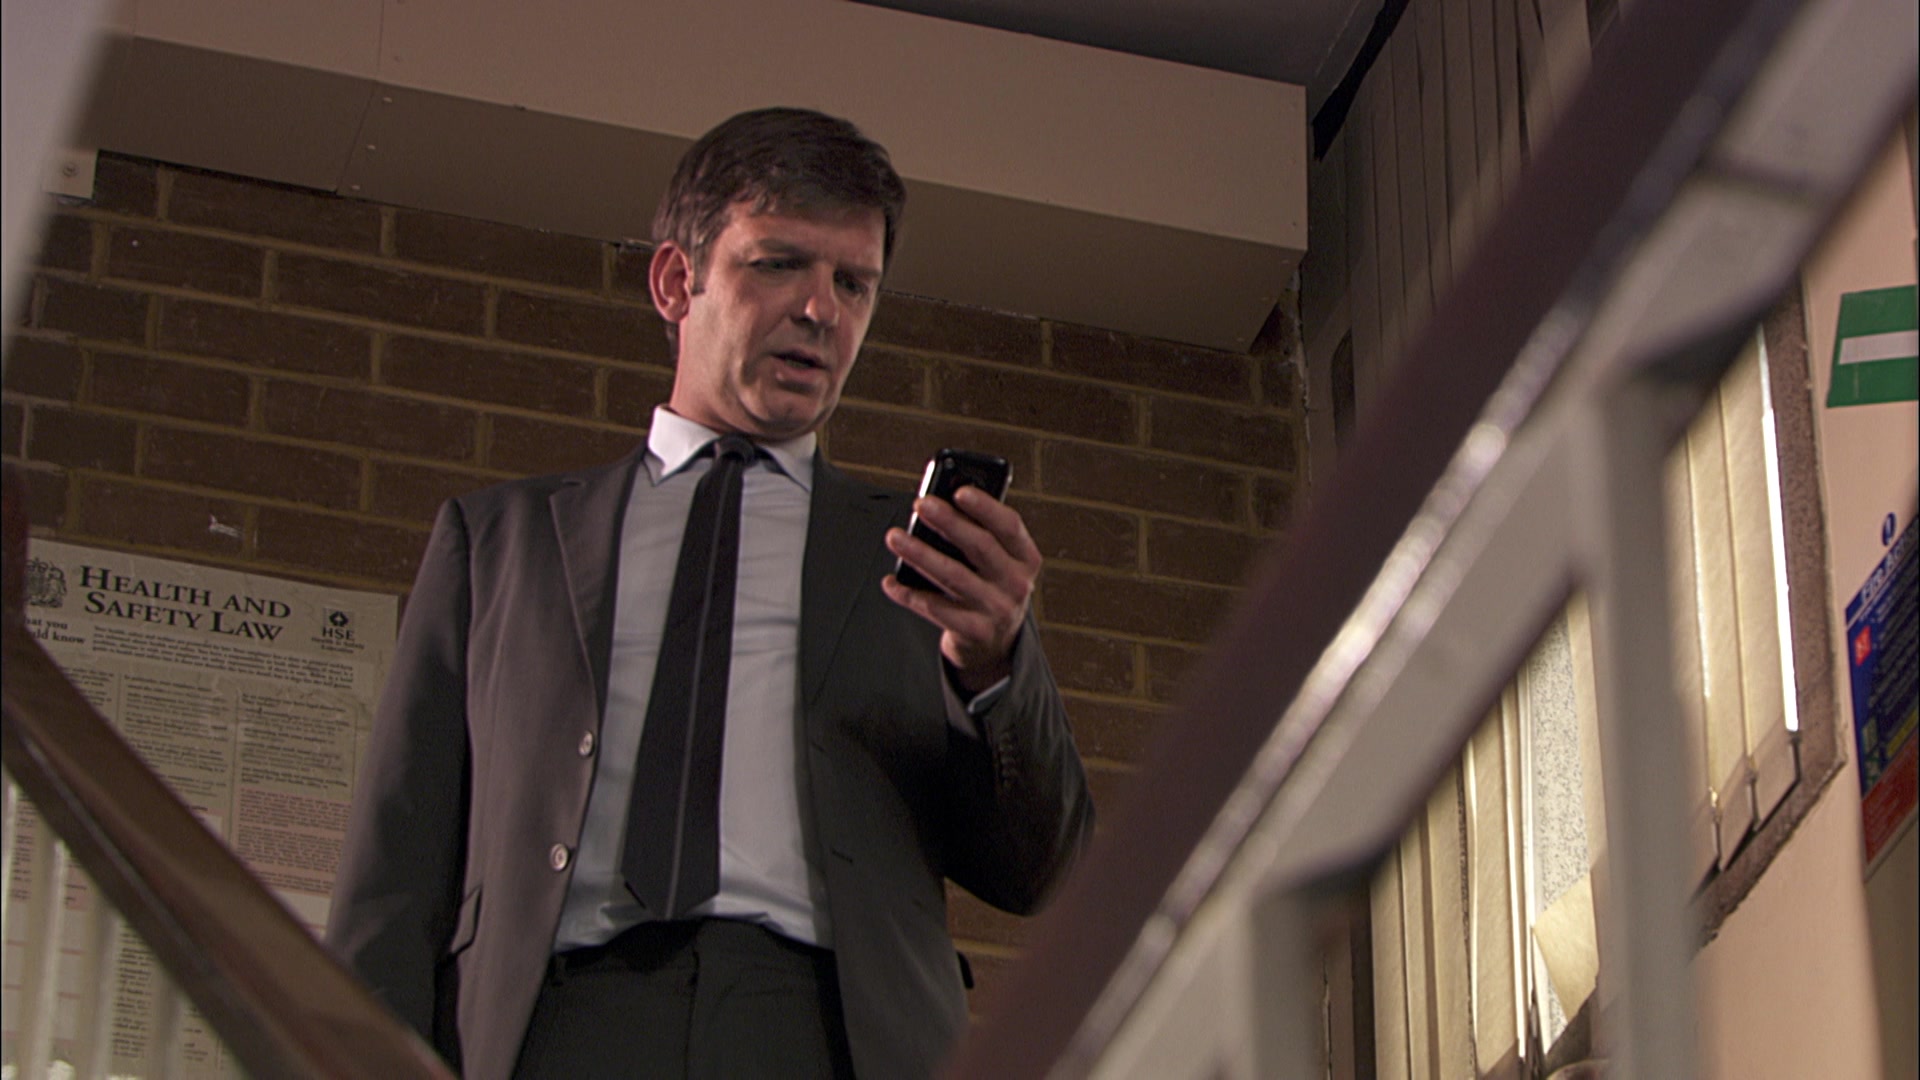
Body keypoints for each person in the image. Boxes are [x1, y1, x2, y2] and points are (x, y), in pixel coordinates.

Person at [326, 107, 1094, 1080]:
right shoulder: (498, 544)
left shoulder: (926, 558)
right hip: (553, 1025)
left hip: (825, 1034)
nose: (821, 310)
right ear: (674, 281)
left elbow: (1040, 875)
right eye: (778, 264)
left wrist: (995, 668)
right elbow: (395, 876)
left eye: (853, 283)